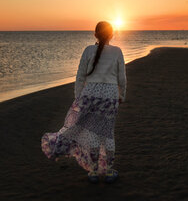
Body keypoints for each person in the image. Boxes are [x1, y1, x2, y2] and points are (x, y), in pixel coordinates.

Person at [41, 21, 127, 184]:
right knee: (107, 132)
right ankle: (108, 172)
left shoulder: (88, 50)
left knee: (93, 132)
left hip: (90, 95)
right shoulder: (117, 51)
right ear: (112, 34)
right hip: (110, 95)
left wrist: (78, 97)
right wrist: (122, 95)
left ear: (95, 34)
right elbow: (122, 77)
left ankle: (94, 171)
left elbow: (80, 77)